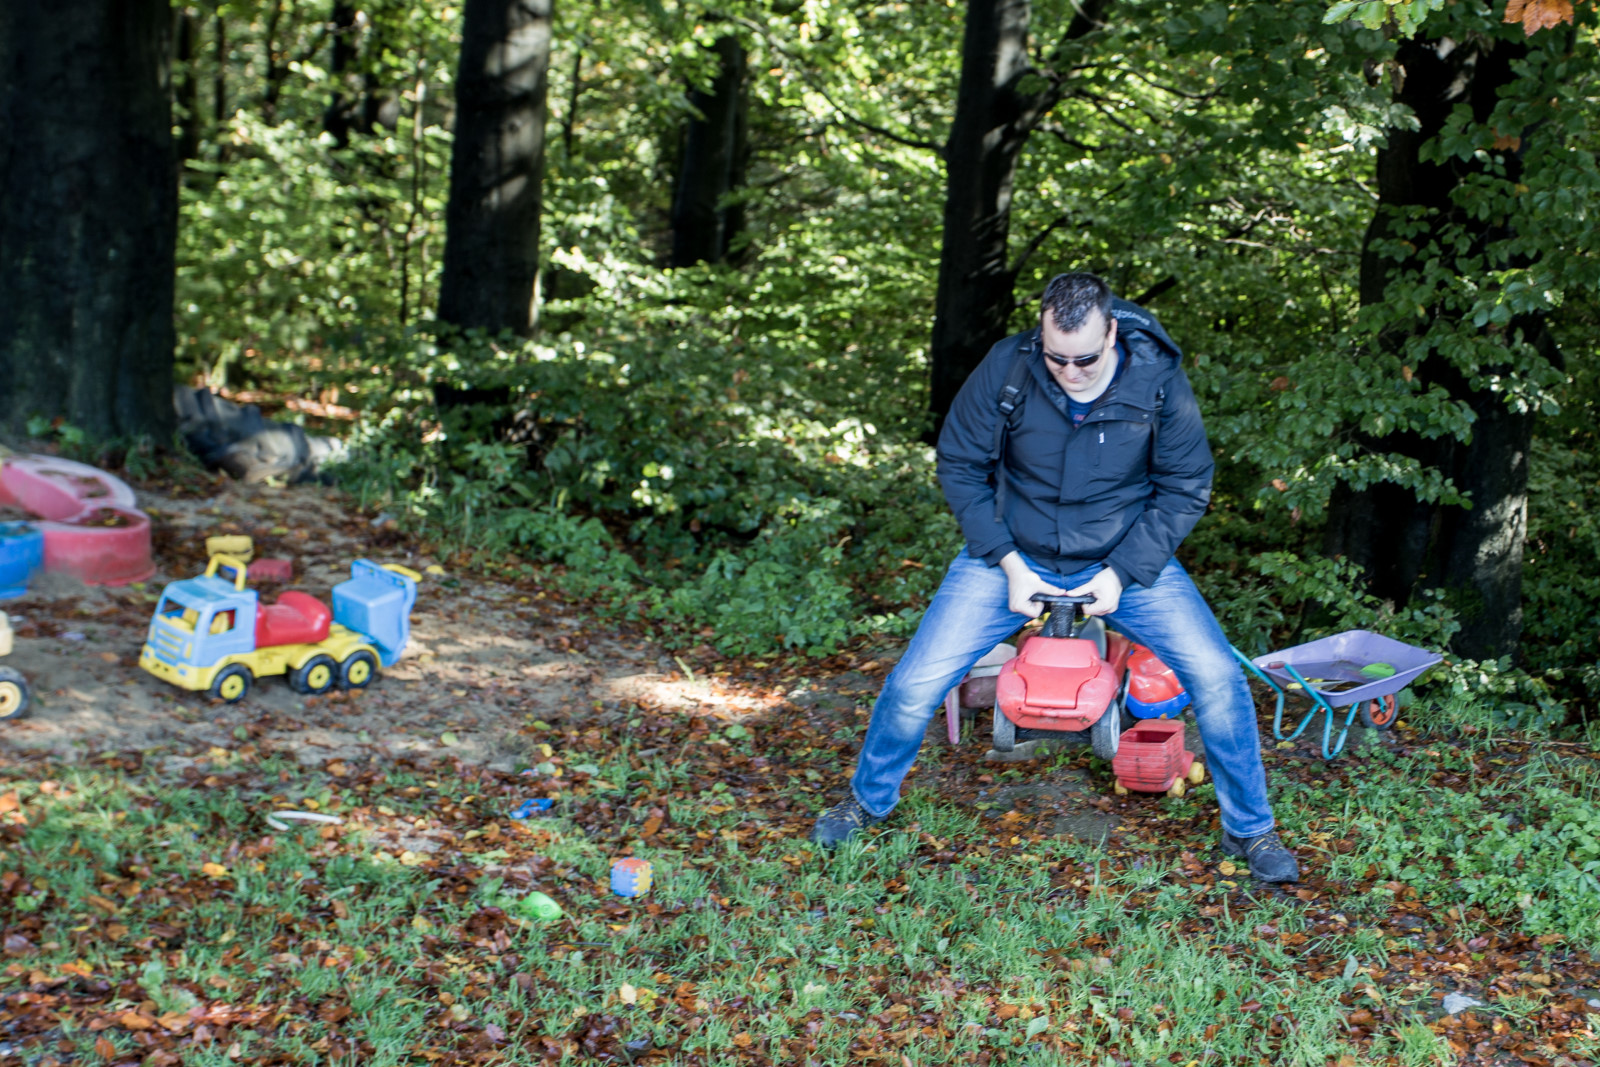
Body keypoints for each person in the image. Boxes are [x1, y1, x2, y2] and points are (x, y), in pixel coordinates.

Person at [808, 271, 1298, 884]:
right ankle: (866, 802)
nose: (1070, 372)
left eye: (1085, 359)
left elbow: (1185, 486)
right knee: (914, 682)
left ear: (1111, 332)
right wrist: (1008, 562)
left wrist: (1122, 573)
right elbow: (960, 464)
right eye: (1056, 357)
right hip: (1014, 553)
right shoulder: (1008, 366)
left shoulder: (1157, 379)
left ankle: (1251, 830)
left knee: (1219, 676)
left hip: (1124, 557)